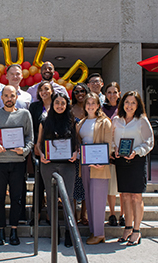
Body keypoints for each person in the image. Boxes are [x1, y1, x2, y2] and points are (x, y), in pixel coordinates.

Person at [0, 85, 33, 246]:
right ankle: (0, 230)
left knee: (16, 198)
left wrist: (24, 150)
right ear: (1, 98)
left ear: (16, 97)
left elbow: (29, 137)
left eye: (12, 95)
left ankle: (14, 230)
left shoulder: (24, 114)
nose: (9, 98)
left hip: (18, 162)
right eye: (6, 95)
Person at [35, 93, 78, 247]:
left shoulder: (72, 122)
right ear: (52, 104)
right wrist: (41, 154)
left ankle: (69, 231)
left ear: (67, 105)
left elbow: (77, 143)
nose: (60, 106)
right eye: (57, 103)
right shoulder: (44, 121)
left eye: (63, 103)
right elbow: (38, 144)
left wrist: (76, 153)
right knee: (51, 198)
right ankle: (55, 231)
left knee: (68, 199)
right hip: (49, 164)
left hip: (68, 165)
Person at [0, 63, 31, 224]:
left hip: (18, 152)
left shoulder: (27, 97)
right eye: (12, 74)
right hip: (0, 152)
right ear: (6, 76)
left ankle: (19, 216)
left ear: (22, 76)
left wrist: (26, 149)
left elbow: (29, 127)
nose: (15, 76)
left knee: (19, 187)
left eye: (18, 74)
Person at [113, 91, 154, 246]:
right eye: (127, 102)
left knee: (136, 197)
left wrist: (136, 152)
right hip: (121, 162)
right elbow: (112, 139)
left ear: (138, 105)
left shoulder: (141, 121)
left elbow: (149, 142)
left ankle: (136, 230)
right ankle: (127, 228)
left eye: (133, 103)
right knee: (124, 196)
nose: (129, 106)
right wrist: (114, 149)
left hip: (137, 162)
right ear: (122, 104)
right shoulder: (117, 120)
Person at [77, 92, 112, 245]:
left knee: (98, 199)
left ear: (98, 105)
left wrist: (103, 161)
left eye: (93, 103)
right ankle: (93, 230)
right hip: (85, 164)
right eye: (88, 103)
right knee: (89, 198)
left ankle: (99, 233)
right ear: (84, 106)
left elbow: (109, 143)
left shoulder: (105, 122)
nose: (90, 106)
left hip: (99, 165)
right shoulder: (81, 122)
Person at [28, 80, 54, 226]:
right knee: (38, 183)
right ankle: (36, 213)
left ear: (51, 91)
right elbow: (31, 128)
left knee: (52, 183)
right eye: (41, 90)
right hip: (38, 149)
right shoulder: (34, 107)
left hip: (56, 150)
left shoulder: (58, 104)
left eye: (46, 89)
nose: (44, 92)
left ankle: (51, 214)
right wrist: (34, 146)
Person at [102, 82, 125, 227]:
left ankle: (122, 214)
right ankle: (111, 213)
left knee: (122, 185)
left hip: (123, 151)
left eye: (114, 92)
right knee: (111, 186)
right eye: (109, 92)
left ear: (119, 94)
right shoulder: (102, 109)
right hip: (108, 151)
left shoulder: (124, 110)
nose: (112, 95)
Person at [71, 83, 90, 226]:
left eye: (82, 91)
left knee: (86, 184)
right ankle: (74, 215)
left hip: (90, 152)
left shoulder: (92, 109)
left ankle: (84, 214)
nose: (79, 94)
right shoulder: (70, 110)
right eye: (76, 91)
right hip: (74, 152)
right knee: (74, 184)